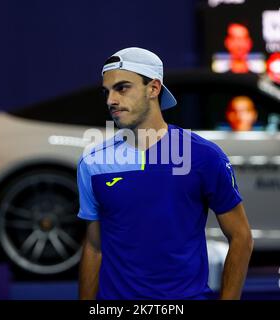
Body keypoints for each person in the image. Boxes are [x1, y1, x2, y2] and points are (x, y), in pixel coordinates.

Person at [77, 47, 253, 300]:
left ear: (154, 89)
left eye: (122, 88)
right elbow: (94, 247)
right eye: (107, 91)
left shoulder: (204, 156)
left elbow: (241, 237)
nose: (110, 100)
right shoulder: (92, 162)